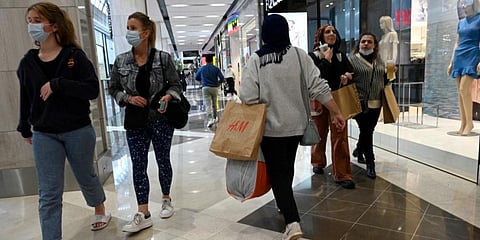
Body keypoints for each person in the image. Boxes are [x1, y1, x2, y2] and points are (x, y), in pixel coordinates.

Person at [240, 14, 345, 240]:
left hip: (270, 128)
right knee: (285, 169)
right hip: (296, 127)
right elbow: (319, 87)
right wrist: (337, 111)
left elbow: (247, 96)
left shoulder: (257, 60)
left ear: (264, 34)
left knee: (278, 172)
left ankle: (292, 222)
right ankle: (283, 202)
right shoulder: (299, 56)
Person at [16, 2, 110, 239]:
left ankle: (99, 207)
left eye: (37, 20)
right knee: (48, 193)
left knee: (85, 175)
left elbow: (91, 89)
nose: (32, 25)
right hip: (44, 133)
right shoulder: (28, 62)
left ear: (53, 25)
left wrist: (58, 84)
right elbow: (25, 97)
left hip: (77, 130)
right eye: (29, 20)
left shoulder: (74, 56)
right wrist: (24, 126)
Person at [108, 12, 182, 233]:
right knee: (138, 166)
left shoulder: (163, 58)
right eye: (127, 27)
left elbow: (176, 85)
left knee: (163, 160)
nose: (129, 32)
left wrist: (168, 96)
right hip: (135, 120)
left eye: (133, 27)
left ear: (146, 32)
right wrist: (127, 98)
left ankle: (166, 198)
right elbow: (113, 88)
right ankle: (143, 212)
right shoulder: (121, 60)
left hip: (161, 119)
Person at [308, 24, 355, 189]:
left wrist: (347, 77)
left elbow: (351, 73)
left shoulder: (341, 55)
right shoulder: (313, 56)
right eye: (327, 32)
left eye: (334, 31)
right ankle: (317, 161)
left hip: (337, 100)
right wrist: (326, 60)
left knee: (340, 136)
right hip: (320, 99)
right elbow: (315, 78)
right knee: (319, 133)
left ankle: (342, 174)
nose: (331, 34)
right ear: (320, 36)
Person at [349, 33, 387, 179]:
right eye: (363, 41)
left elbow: (385, 79)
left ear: (374, 45)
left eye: (369, 42)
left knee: (368, 129)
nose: (365, 44)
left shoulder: (379, 60)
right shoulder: (352, 60)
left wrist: (391, 74)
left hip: (376, 102)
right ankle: (371, 163)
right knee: (367, 131)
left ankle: (359, 150)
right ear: (359, 44)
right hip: (360, 102)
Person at [447, 0, 480, 136]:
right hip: (459, 55)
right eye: (463, 4)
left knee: (464, 88)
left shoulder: (479, 19)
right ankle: (463, 123)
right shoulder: (461, 22)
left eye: (467, 3)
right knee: (460, 93)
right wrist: (451, 62)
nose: (464, 6)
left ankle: (470, 123)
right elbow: (457, 43)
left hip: (472, 54)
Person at [194, 55, 224, 127]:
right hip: (214, 88)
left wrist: (202, 81)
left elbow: (196, 77)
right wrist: (218, 83)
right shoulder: (216, 68)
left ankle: (210, 119)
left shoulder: (202, 68)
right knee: (214, 103)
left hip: (205, 88)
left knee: (208, 104)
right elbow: (222, 78)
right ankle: (215, 117)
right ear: (212, 60)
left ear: (206, 60)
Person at [379, 16, 399, 80]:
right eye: (380, 23)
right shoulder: (383, 36)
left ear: (387, 23)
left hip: (389, 62)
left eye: (382, 23)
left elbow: (395, 49)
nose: (380, 25)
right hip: (381, 61)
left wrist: (393, 61)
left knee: (389, 81)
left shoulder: (393, 34)